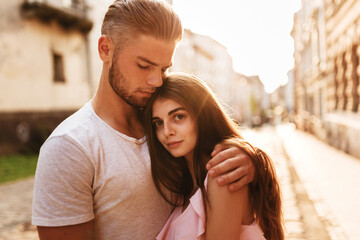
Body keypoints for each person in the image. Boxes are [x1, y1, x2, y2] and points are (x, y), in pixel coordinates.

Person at [32, 1, 255, 239]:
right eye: (144, 65)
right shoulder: (69, 148)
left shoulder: (165, 124)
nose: (157, 81)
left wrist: (250, 159)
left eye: (163, 69)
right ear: (105, 49)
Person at [144, 72, 284, 240]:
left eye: (178, 117)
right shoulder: (183, 186)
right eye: (158, 123)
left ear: (202, 116)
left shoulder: (223, 174)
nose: (167, 132)